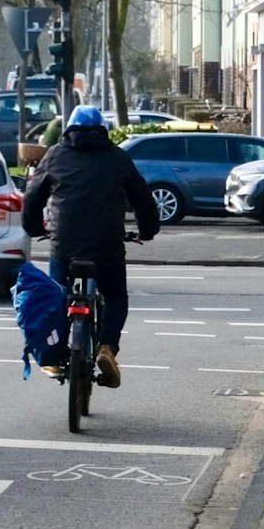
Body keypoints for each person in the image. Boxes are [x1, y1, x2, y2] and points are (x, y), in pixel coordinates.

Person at [21, 104, 160, 388]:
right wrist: (148, 230)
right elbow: (143, 200)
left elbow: (32, 198)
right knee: (116, 296)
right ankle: (107, 348)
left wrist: (35, 228)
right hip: (107, 245)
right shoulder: (118, 158)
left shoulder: (55, 156)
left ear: (69, 130)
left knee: (56, 297)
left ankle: (54, 355)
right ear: (103, 131)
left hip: (65, 244)